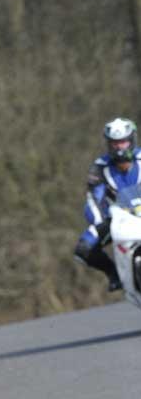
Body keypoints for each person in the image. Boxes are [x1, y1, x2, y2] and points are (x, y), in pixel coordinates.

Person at [74, 117, 141, 291]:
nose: (119, 147)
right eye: (115, 143)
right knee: (84, 249)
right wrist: (100, 220)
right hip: (119, 219)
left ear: (132, 140)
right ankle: (114, 274)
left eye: (124, 142)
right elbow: (93, 199)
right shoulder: (99, 167)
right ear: (108, 144)